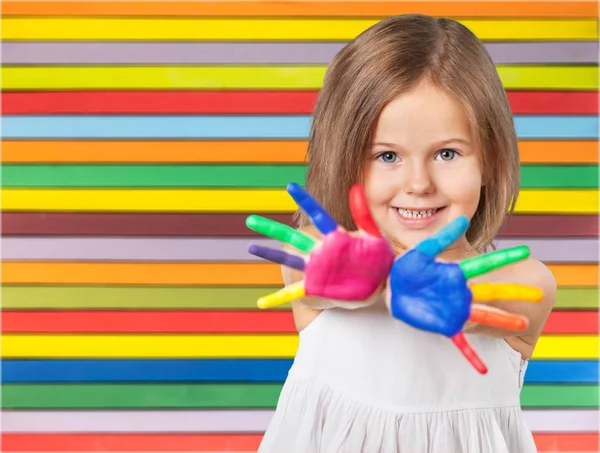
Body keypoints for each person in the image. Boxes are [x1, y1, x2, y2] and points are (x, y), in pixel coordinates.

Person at [253, 14, 557, 453]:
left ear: (489, 160)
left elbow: (513, 293)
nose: (418, 183)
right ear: (346, 157)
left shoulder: (524, 280)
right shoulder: (324, 259)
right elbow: (308, 274)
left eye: (447, 153)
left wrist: (457, 295)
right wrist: (358, 276)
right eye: (387, 155)